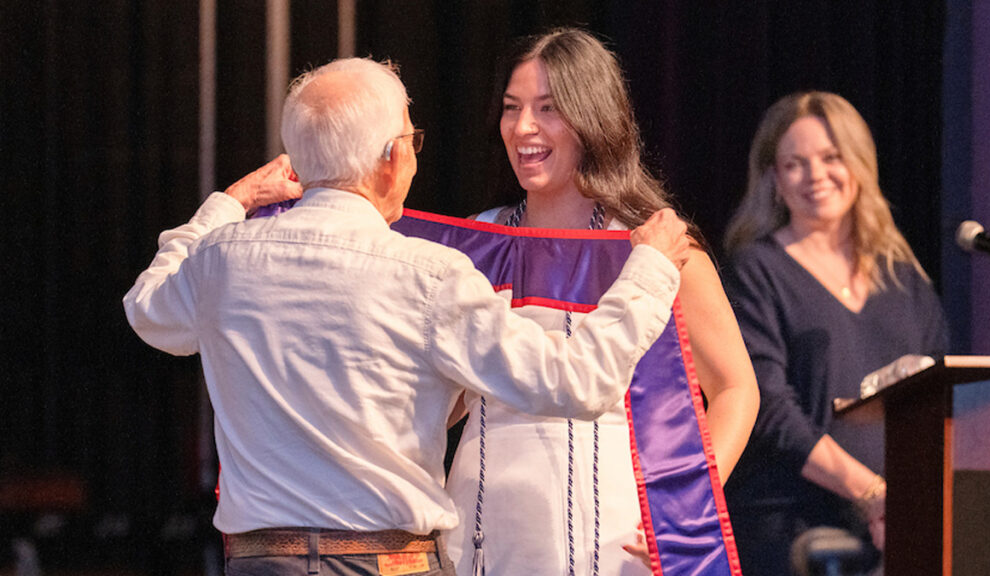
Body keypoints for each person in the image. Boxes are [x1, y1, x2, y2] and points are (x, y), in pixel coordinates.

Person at [122, 57, 695, 576]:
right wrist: (647, 272)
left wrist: (232, 201)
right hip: (386, 562)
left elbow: (148, 309)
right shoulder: (429, 274)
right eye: (411, 141)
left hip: (262, 563)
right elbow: (574, 381)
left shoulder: (222, 259)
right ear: (391, 159)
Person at [443, 28, 760, 575]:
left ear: (594, 117)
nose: (523, 128)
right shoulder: (477, 241)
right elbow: (439, 398)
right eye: (511, 108)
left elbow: (736, 388)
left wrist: (680, 507)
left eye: (549, 108)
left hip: (611, 532)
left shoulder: (654, 247)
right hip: (480, 527)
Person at [720, 91, 948, 575]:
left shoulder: (903, 276)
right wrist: (871, 494)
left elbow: (937, 399)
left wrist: (908, 505)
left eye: (831, 157)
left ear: (859, 165)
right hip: (793, 529)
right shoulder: (756, 270)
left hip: (896, 522)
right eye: (795, 164)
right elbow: (770, 410)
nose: (815, 175)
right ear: (774, 180)